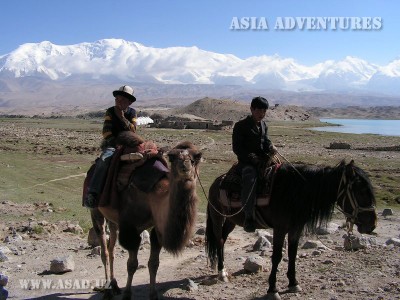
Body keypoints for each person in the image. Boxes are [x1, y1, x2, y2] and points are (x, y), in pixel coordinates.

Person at [84, 85, 138, 208]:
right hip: (112, 144)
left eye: (122, 100)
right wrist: (116, 144)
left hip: (129, 143)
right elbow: (106, 132)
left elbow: (133, 131)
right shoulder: (110, 111)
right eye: (117, 99)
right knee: (104, 160)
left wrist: (122, 118)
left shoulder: (132, 112)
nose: (118, 102)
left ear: (129, 102)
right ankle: (92, 193)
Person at [232, 96, 277, 232]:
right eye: (259, 111)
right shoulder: (240, 126)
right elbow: (237, 148)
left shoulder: (263, 125)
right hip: (246, 163)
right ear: (252, 109)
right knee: (250, 179)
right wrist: (253, 159)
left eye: (264, 111)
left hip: (263, 160)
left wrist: (271, 147)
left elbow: (266, 141)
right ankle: (249, 217)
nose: (261, 114)